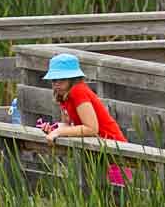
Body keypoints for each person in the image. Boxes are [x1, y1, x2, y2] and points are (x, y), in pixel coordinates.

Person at [38, 53, 131, 187]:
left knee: (116, 195)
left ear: (73, 79)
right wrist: (54, 128)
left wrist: (58, 132)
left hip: (113, 151)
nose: (56, 84)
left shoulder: (78, 91)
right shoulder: (64, 96)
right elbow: (69, 125)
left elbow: (91, 128)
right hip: (96, 152)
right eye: (53, 80)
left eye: (61, 79)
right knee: (96, 194)